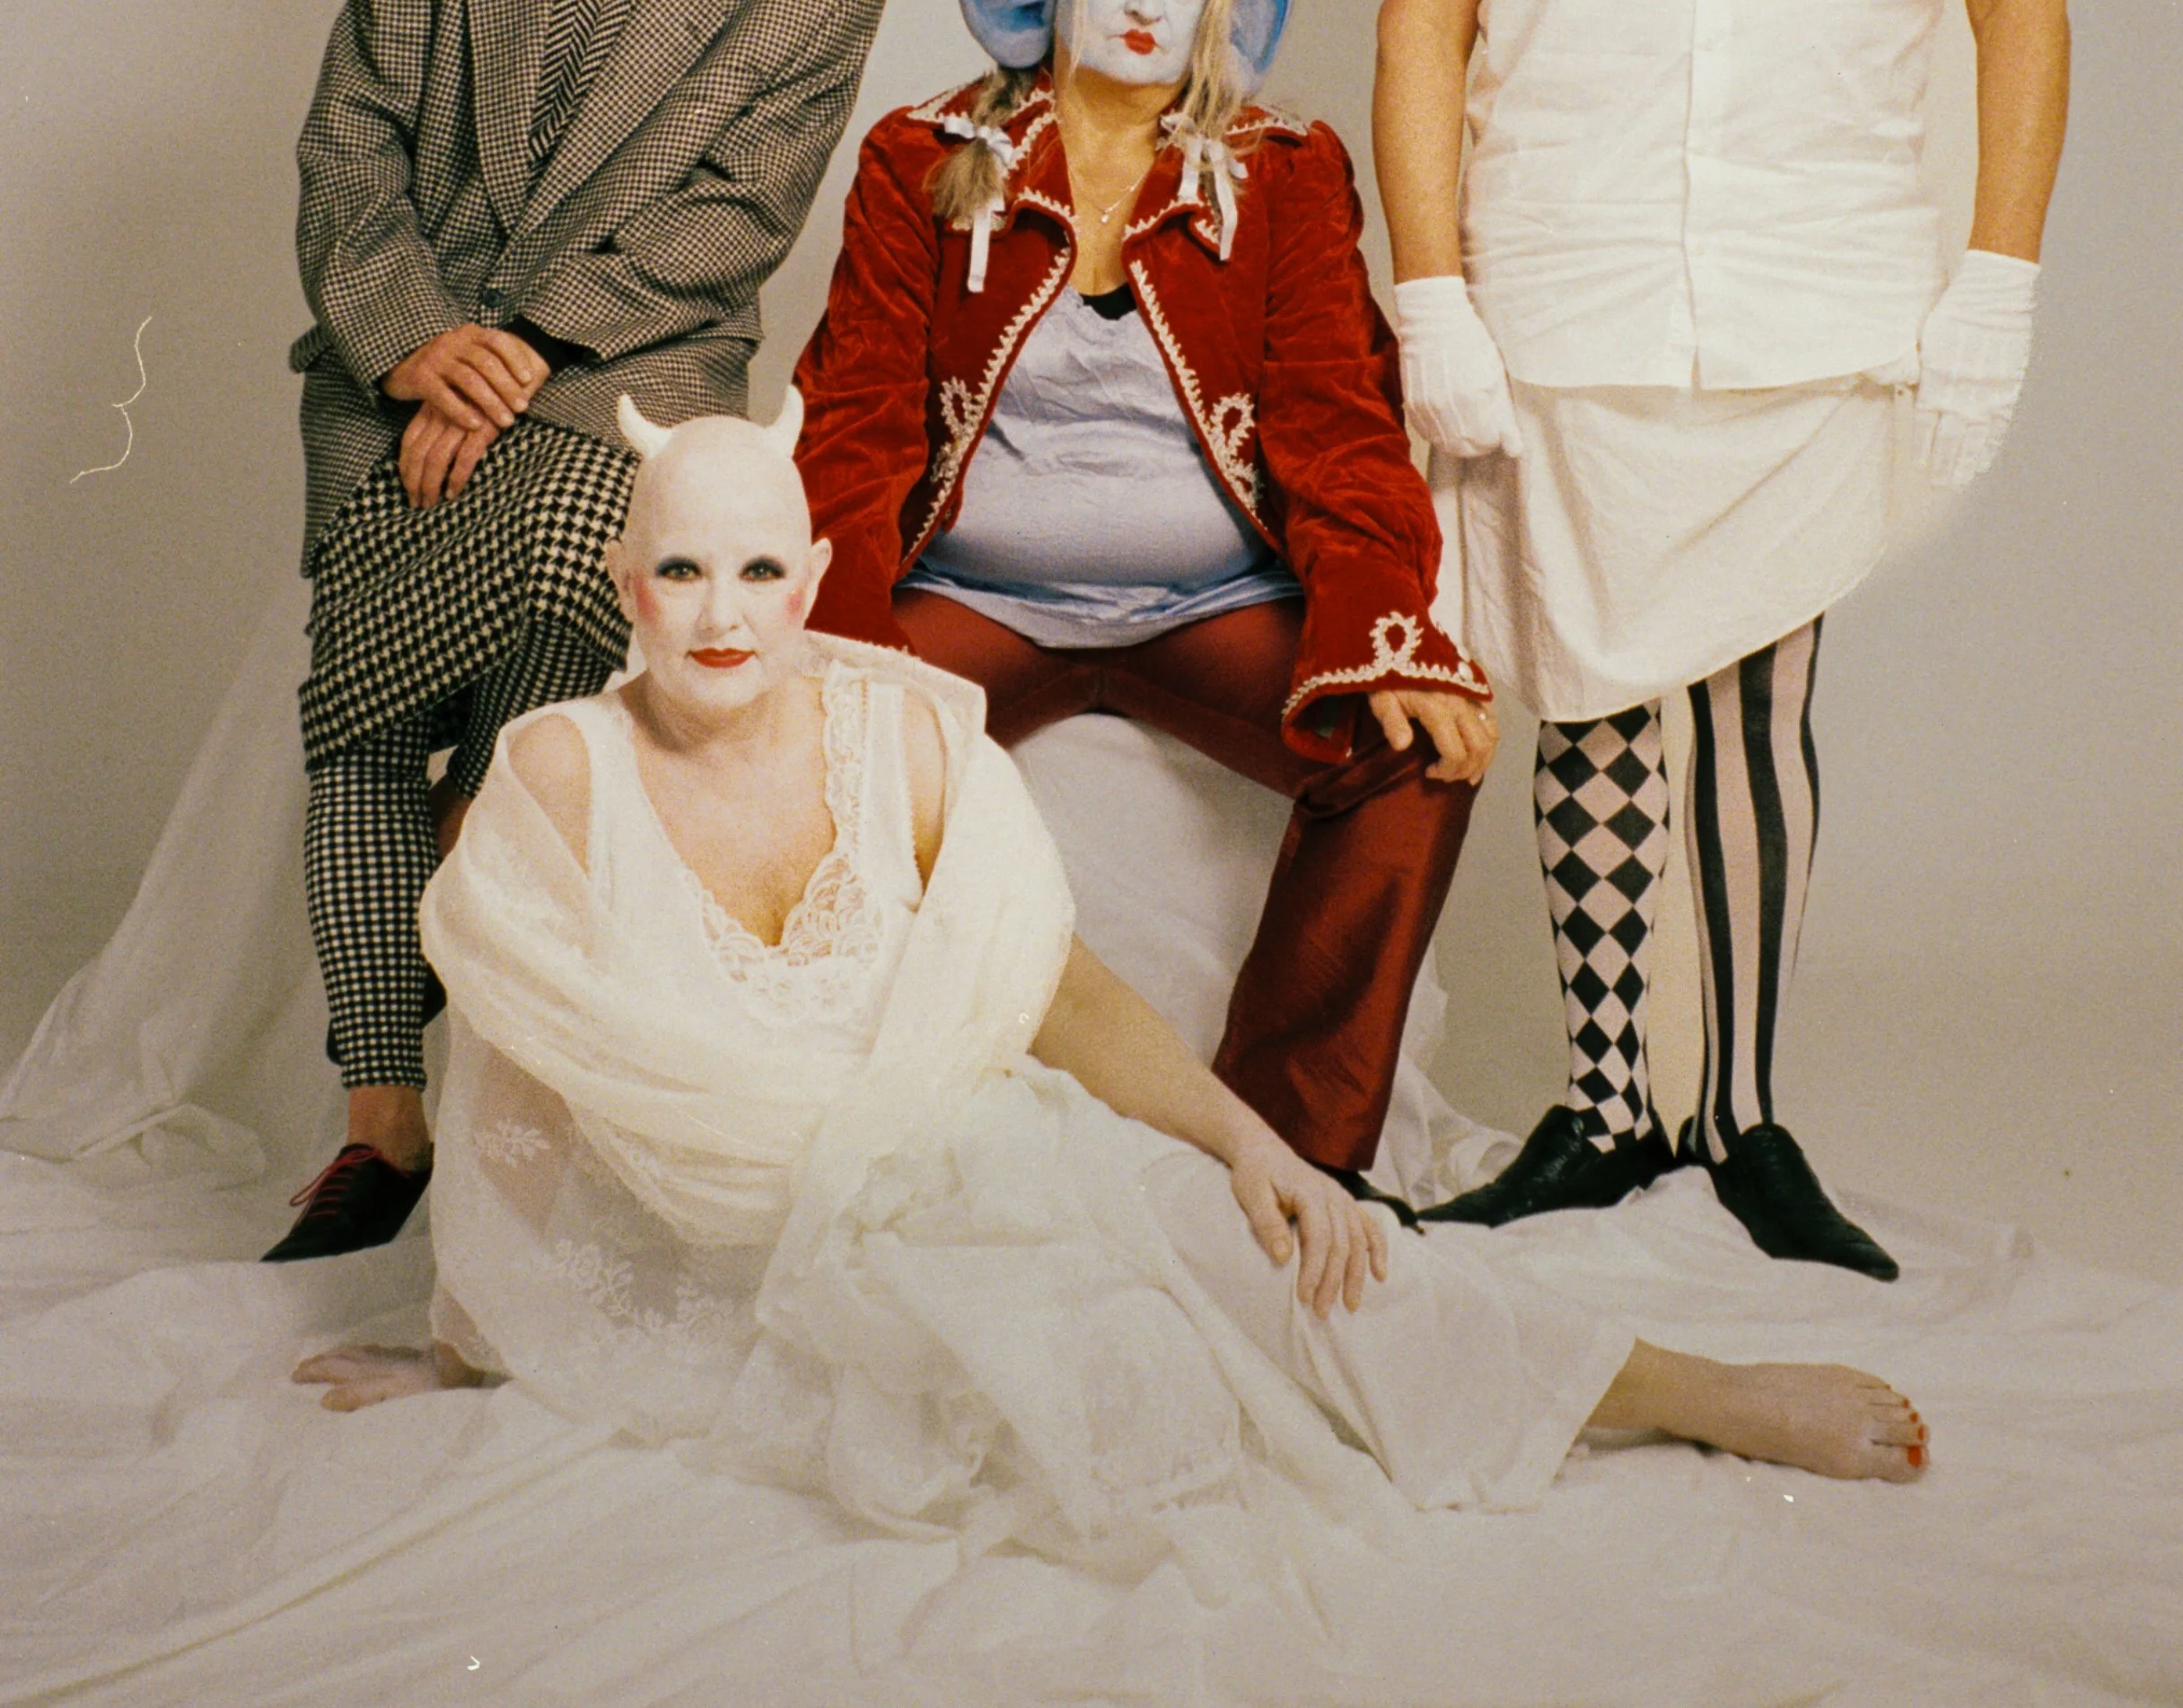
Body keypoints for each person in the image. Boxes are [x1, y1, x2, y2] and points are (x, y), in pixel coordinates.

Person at [294, 396, 1931, 1557]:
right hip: (731, 1245)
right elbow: (511, 1093)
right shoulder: (559, 776)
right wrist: (470, 1332)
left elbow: (1052, 995)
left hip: (956, 1150)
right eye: (679, 574)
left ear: (808, 582)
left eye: (755, 574)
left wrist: (1252, 1148)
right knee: (1078, 1375)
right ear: (621, 587)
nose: (720, 618)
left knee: (1258, 1247)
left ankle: (1681, 1387)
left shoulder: (896, 736)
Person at [1365, 0, 2089, 1273]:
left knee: (1756, 703)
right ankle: (1610, 1109)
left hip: (1818, 281)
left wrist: (1994, 273)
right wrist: (1432, 288)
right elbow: (1424, 13)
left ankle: (1741, 1112)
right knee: (1589, 700)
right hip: (1567, 278)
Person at [270, 0, 888, 1260]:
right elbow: (347, 143)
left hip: (609, 389)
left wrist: (512, 356)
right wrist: (416, 344)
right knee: (362, 712)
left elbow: (728, 215)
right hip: (394, 382)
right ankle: (384, 1110)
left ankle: (471, 949)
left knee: (561, 575)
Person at [791, 0, 1495, 1189]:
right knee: (812, 774)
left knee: (1411, 750)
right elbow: (857, 417)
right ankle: (868, 1148)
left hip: (1208, 603)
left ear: (1226, 6)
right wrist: (838, 649)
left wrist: (1388, 628)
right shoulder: (923, 157)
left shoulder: (1285, 167)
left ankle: (1281, 1161)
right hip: (978, 598)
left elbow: (1340, 423)